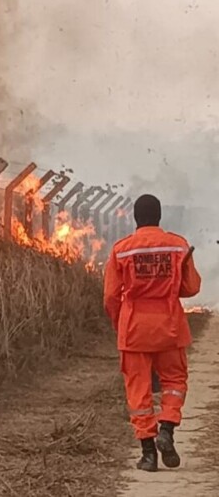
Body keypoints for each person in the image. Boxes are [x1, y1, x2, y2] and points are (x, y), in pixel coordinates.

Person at [104, 194, 201, 472]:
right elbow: (191, 288)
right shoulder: (179, 245)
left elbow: (111, 296)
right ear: (159, 217)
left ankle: (148, 455)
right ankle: (167, 429)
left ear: (135, 218)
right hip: (169, 326)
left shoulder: (122, 249)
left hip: (134, 328)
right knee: (174, 381)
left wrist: (118, 323)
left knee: (139, 390)